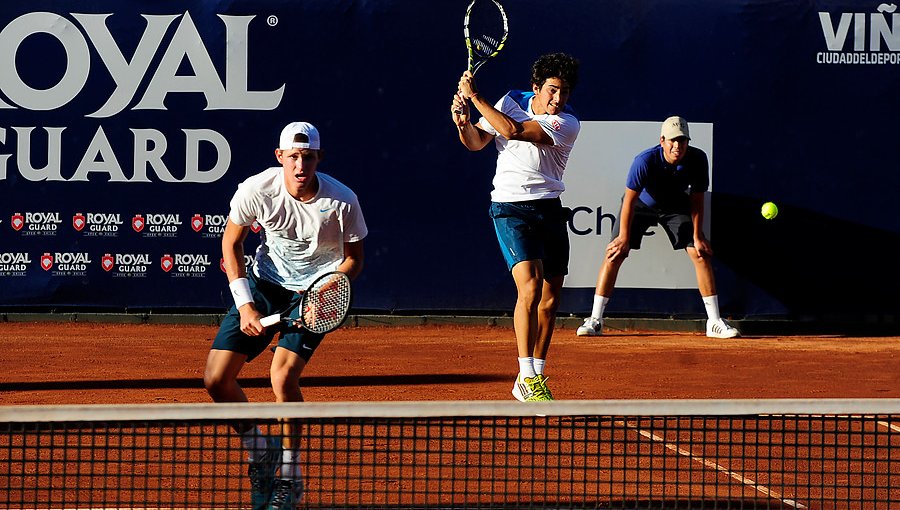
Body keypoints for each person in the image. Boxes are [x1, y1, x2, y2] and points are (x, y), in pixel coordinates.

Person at [203, 121, 367, 510]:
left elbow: (354, 260)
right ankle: (261, 450)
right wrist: (245, 303)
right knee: (216, 378)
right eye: (292, 157)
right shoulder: (257, 189)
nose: (300, 166)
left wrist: (324, 291)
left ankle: (291, 478)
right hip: (265, 285)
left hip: (316, 293)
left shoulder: (342, 201)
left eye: (307, 157)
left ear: (318, 159)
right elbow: (231, 241)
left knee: (282, 377)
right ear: (280, 157)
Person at [451, 53, 581, 402]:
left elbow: (512, 130)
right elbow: (478, 141)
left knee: (551, 301)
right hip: (510, 208)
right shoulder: (510, 100)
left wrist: (475, 97)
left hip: (549, 210)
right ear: (535, 88)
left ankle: (535, 374)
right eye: (553, 90)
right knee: (531, 286)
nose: (559, 99)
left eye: (565, 92)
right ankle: (526, 375)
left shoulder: (567, 123)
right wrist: (463, 122)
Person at [576, 116, 739, 339]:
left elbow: (697, 200)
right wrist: (623, 237)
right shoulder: (644, 160)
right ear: (662, 140)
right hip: (641, 205)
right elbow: (630, 201)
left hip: (676, 207)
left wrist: (698, 234)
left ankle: (714, 322)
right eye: (672, 140)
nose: (677, 146)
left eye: (682, 141)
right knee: (614, 253)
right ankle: (595, 320)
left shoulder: (698, 159)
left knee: (700, 254)